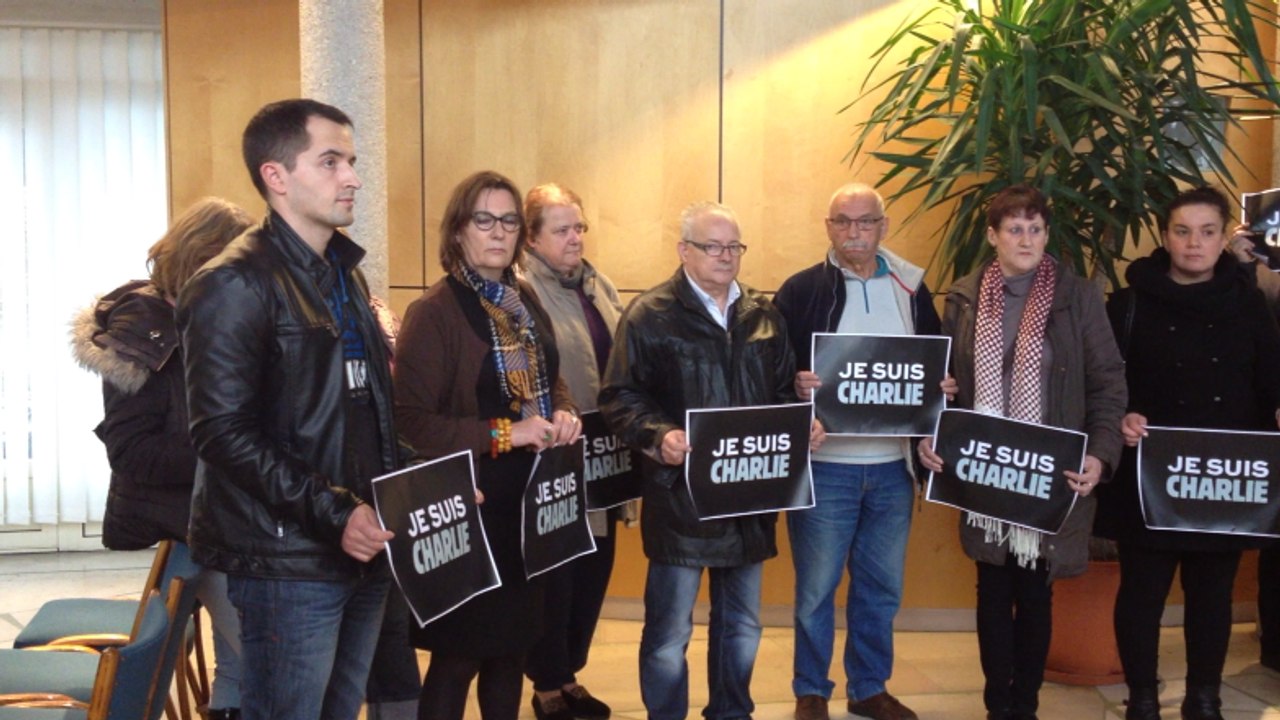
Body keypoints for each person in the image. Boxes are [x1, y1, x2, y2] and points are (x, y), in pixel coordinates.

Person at [177, 98, 399, 720]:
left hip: (359, 544)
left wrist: (422, 483)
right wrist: (334, 512)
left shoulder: (343, 273)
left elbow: (359, 407)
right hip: (286, 561)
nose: (352, 177)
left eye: (351, 161)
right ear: (276, 176)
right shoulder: (232, 283)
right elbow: (221, 433)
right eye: (330, 161)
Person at [598, 201, 825, 720]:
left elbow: (782, 392)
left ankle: (731, 712)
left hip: (750, 497)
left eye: (734, 247)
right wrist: (661, 436)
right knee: (669, 633)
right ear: (684, 251)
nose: (726, 257)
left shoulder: (764, 316)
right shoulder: (650, 314)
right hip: (681, 499)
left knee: (742, 626)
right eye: (712, 246)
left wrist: (802, 422)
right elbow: (620, 397)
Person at [917, 185, 1126, 720]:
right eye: (1014, 229)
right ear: (992, 236)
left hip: (1048, 472)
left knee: (1035, 590)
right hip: (984, 471)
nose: (1026, 238)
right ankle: (997, 705)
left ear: (1047, 234)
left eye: (1035, 228)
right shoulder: (963, 299)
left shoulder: (1077, 297)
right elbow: (945, 387)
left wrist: (1100, 456)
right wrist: (932, 431)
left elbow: (1107, 383)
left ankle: (1024, 707)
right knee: (991, 587)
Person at [393, 170, 581, 720]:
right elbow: (411, 422)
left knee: (511, 653)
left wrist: (563, 412)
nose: (498, 232)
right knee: (460, 658)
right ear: (458, 232)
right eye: (484, 220)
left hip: (529, 507)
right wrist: (507, 432)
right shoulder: (435, 312)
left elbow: (552, 374)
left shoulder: (521, 298)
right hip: (472, 508)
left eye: (508, 221)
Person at [1096, 187, 1280, 720]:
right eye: (1182, 231)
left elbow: (1271, 379)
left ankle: (1205, 698)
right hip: (1148, 472)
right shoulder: (1128, 303)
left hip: (1223, 475)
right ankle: (1144, 700)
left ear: (1224, 238)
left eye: (1206, 232)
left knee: (1211, 595)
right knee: (1141, 593)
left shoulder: (1250, 303)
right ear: (1163, 235)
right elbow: (1106, 383)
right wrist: (1122, 414)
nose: (1194, 243)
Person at [71, 196, 252, 720]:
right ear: (203, 259)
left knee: (241, 666)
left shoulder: (204, 318)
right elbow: (133, 454)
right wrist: (231, 450)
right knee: (263, 660)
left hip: (217, 516)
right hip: (189, 517)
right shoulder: (144, 328)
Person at [773, 183, 943, 720]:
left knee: (881, 588)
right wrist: (796, 393)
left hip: (893, 470)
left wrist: (942, 394)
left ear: (883, 226)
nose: (853, 232)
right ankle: (811, 691)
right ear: (828, 227)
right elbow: (772, 374)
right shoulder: (801, 292)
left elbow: (935, 370)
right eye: (842, 222)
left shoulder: (911, 290)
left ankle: (869, 688)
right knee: (816, 592)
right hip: (826, 470)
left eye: (864, 222)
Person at [518, 183, 632, 720]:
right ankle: (547, 684)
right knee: (555, 577)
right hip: (553, 459)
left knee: (594, 569)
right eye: (561, 230)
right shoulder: (520, 291)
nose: (575, 238)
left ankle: (568, 675)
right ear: (532, 237)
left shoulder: (598, 283)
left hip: (607, 456)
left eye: (580, 227)